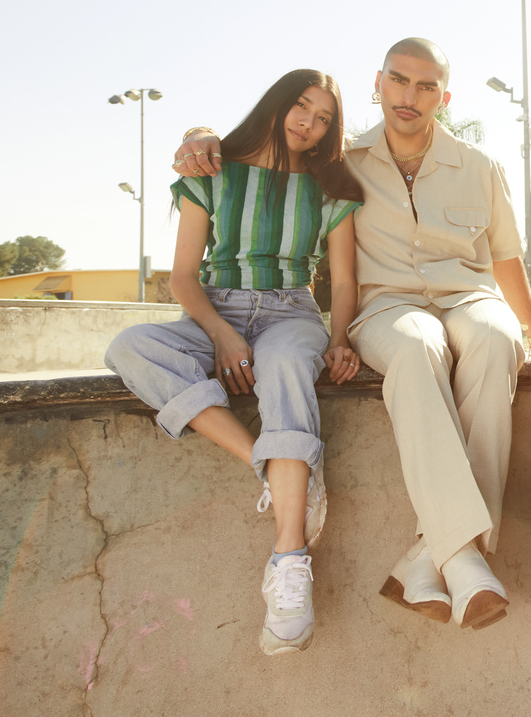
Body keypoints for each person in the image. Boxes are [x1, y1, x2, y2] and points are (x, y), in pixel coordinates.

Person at [174, 38, 531, 632]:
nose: (410, 96)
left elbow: (505, 259)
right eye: (399, 80)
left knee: (494, 341)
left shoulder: (481, 167)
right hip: (387, 307)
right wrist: (200, 135)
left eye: (426, 86)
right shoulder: (338, 159)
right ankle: (463, 558)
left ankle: (440, 554)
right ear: (378, 83)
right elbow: (267, 148)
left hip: (469, 296)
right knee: (419, 347)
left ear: (444, 97)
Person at [106, 68, 363, 656]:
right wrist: (221, 335)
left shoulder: (331, 189)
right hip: (213, 308)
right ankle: (271, 465)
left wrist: (340, 337)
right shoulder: (213, 172)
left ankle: (290, 562)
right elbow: (181, 276)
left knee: (286, 366)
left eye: (324, 118)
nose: (309, 123)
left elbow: (344, 280)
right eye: (302, 106)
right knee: (131, 348)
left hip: (291, 311)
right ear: (277, 104)